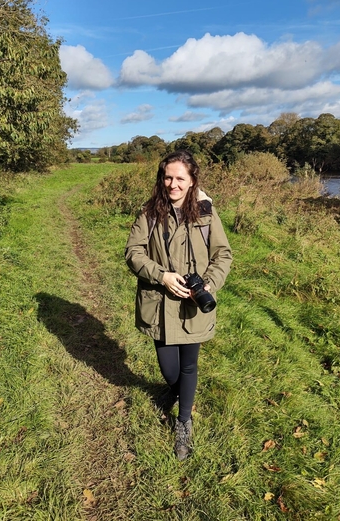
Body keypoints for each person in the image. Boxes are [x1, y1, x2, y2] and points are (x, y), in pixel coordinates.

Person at [125, 150, 232, 460]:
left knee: (188, 366)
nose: (172, 183)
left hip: (193, 305)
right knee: (169, 370)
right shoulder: (148, 211)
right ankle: (176, 391)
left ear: (191, 181)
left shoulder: (206, 212)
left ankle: (183, 422)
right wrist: (162, 276)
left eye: (180, 178)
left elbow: (223, 254)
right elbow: (133, 253)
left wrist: (210, 281)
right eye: (167, 177)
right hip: (160, 303)